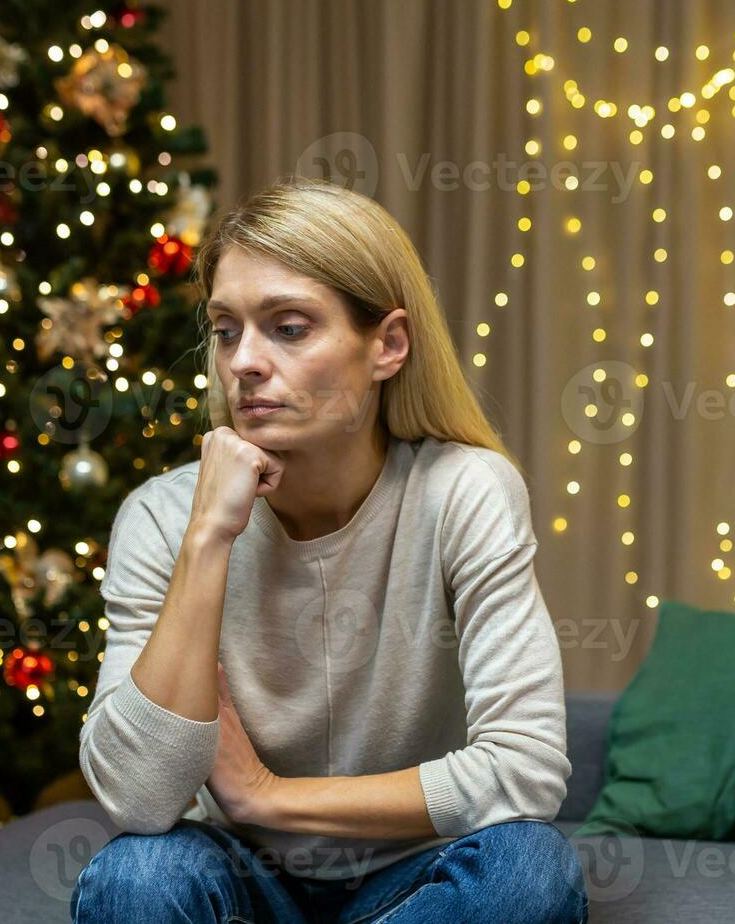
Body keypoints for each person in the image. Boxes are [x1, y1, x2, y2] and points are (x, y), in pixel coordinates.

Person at [72, 178, 587, 923]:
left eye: (288, 327)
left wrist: (270, 796)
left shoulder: (464, 490)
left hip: (413, 873)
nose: (243, 360)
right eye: (225, 329)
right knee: (136, 878)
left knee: (528, 871)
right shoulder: (162, 517)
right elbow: (138, 798)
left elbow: (527, 772)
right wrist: (209, 537)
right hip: (244, 878)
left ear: (388, 345)